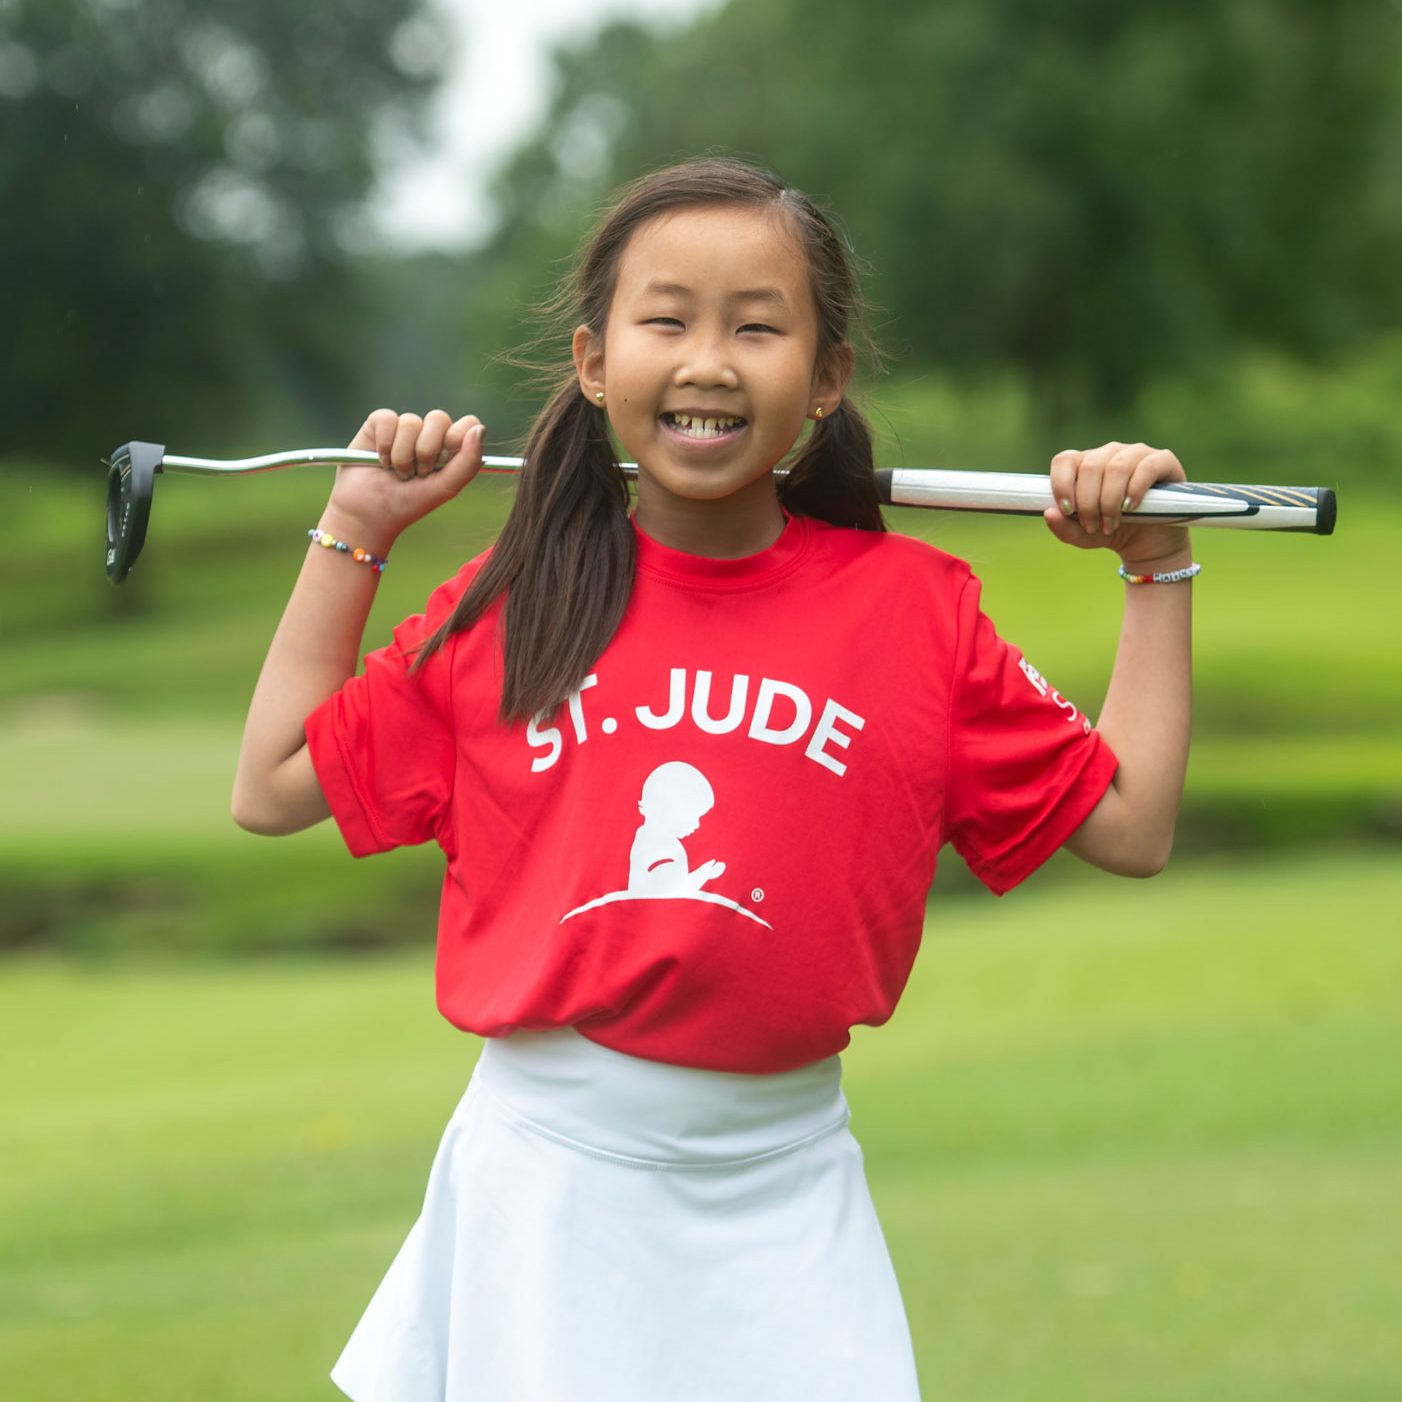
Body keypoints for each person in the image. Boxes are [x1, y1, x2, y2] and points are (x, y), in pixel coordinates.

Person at [231, 157, 1194, 1401]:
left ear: (826, 376)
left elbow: (1130, 823)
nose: (708, 362)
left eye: (757, 326)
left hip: (784, 1185)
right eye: (666, 320)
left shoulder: (912, 610)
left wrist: (1156, 564)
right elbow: (271, 782)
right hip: (548, 1179)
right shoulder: (513, 605)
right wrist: (356, 528)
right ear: (592, 362)